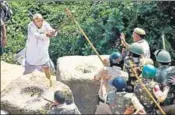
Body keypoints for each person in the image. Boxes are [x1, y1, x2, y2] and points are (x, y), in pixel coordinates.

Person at [23, 13, 57, 87]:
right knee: (29, 69)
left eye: (41, 20)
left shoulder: (45, 24)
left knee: (46, 67)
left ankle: (50, 84)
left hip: (43, 51)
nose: (40, 22)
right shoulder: (30, 26)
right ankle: (26, 85)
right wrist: (46, 35)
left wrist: (53, 32)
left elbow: (52, 30)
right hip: (32, 52)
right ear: (34, 21)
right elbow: (36, 35)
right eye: (38, 21)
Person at [154, 49, 175, 114]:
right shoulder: (173, 69)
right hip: (172, 103)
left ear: (158, 61)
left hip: (158, 104)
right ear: (169, 61)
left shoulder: (153, 71)